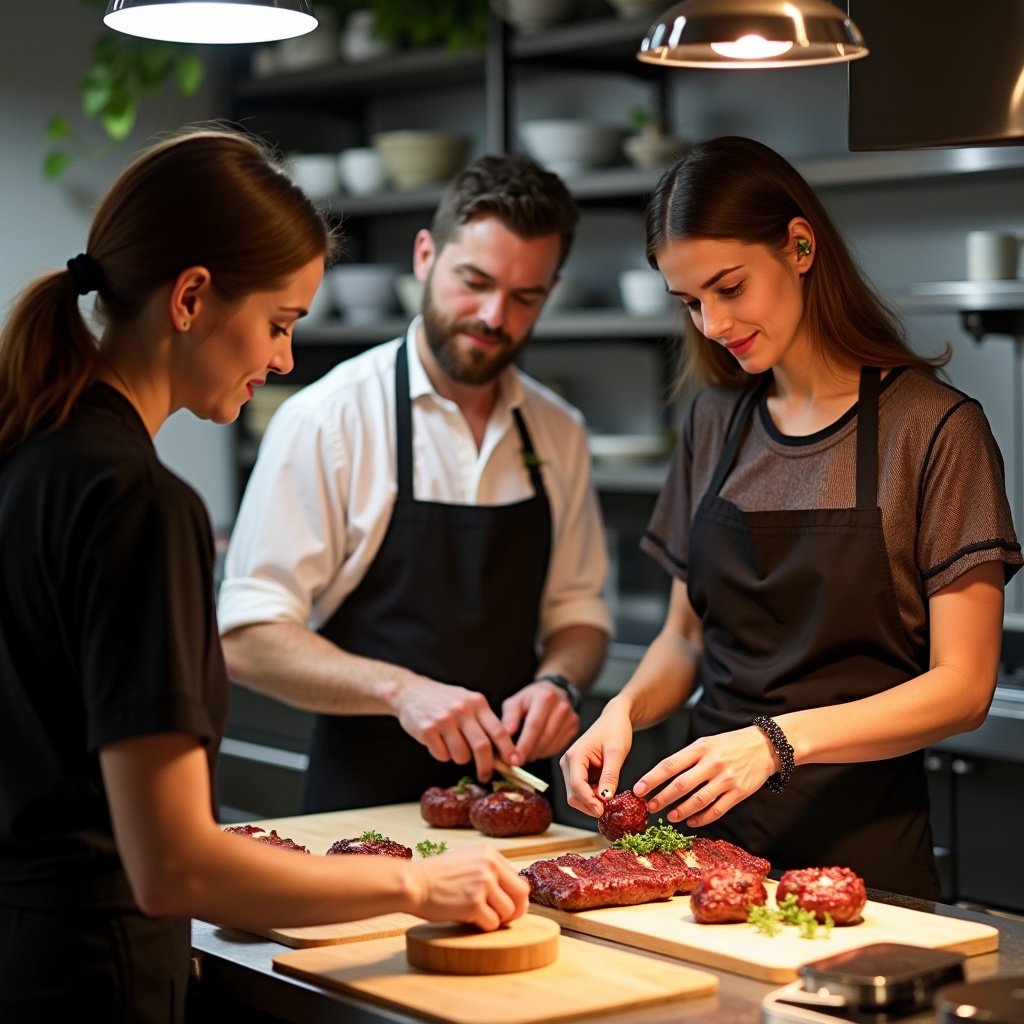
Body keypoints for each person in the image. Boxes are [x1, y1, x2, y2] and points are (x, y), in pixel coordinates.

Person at [0, 128, 529, 1024]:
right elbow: (176, 868)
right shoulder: (139, 502)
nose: (283, 359)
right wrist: (413, 889)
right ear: (193, 297)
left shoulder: (25, 455)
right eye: (279, 323)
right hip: (94, 976)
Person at [560, 135, 1022, 900]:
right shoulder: (714, 422)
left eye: (729, 288)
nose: (711, 325)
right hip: (702, 861)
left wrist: (776, 743)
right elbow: (683, 636)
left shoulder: (934, 430)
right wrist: (622, 711)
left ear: (801, 245)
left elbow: (963, 687)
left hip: (864, 867)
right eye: (690, 303)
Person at [218, 152, 612, 812]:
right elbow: (247, 638)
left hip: (517, 810)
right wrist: (400, 691)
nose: (494, 316)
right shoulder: (328, 419)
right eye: (474, 281)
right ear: (426, 256)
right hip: (360, 810)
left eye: (525, 298)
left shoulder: (557, 430)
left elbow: (580, 615)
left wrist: (561, 684)